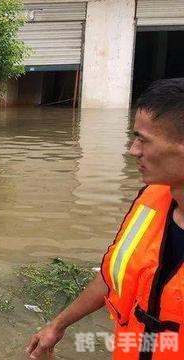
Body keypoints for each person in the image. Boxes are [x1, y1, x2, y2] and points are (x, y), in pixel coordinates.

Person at [26, 78, 184, 359]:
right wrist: (58, 325)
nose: (133, 150)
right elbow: (113, 276)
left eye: (143, 140)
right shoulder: (151, 202)